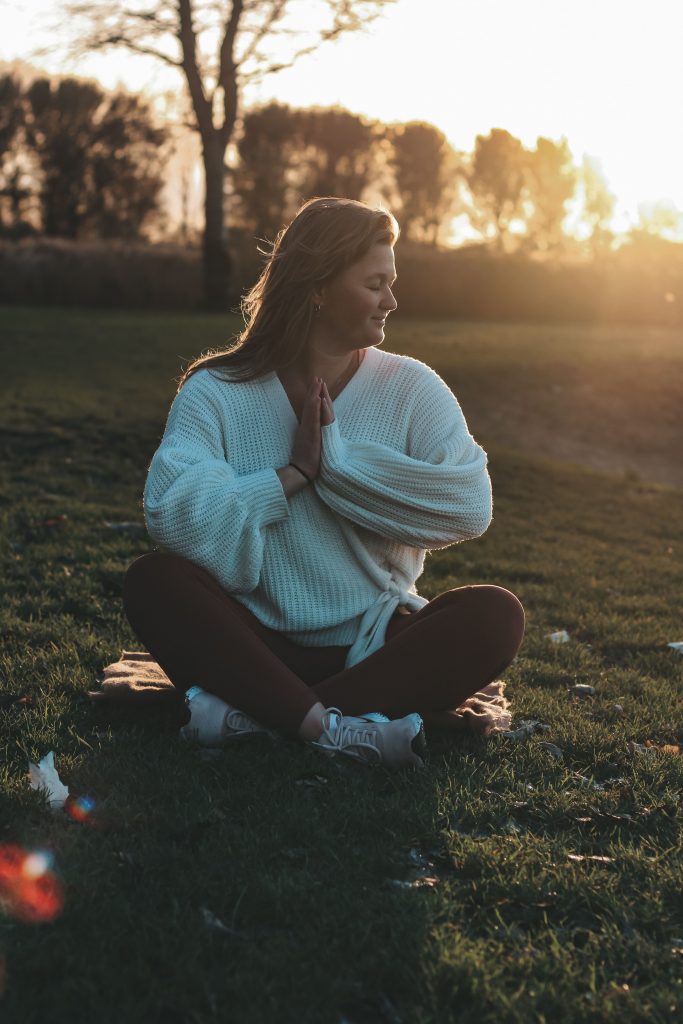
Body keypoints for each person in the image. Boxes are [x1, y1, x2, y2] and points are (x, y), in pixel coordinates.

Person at [122, 196, 525, 770]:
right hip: (253, 640)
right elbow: (171, 510)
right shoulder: (217, 390)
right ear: (316, 287)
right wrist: (289, 477)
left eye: (391, 283)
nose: (392, 301)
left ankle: (271, 719)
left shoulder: (413, 388)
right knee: (152, 582)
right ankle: (333, 728)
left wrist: (337, 469)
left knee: (495, 616)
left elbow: (469, 503)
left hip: (373, 646)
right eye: (375, 283)